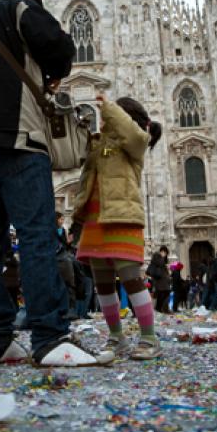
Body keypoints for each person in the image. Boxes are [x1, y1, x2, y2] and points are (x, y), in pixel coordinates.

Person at [0, 0, 110, 367]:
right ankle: (49, 337)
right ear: (29, 0)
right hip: (20, 139)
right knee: (38, 235)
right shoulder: (21, 9)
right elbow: (61, 47)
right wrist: (51, 77)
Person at [73, 94, 162, 359]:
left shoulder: (135, 144)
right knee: (102, 283)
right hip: (96, 219)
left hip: (122, 217)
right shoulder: (100, 144)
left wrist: (111, 108)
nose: (105, 120)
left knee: (131, 278)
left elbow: (132, 134)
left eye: (110, 117)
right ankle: (116, 336)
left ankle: (149, 338)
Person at [147, 245, 171, 313]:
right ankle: (159, 308)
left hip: (163, 280)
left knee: (164, 293)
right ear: (162, 251)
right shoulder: (156, 256)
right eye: (164, 252)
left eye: (166, 253)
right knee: (162, 293)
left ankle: (160, 308)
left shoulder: (162, 259)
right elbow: (159, 263)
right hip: (159, 279)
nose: (165, 254)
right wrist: (162, 258)